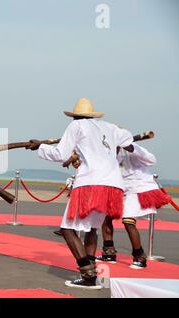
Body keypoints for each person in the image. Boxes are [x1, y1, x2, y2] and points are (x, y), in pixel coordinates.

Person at [26, 98, 134, 290]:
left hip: (91, 182)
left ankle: (87, 272)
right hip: (113, 184)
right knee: (91, 227)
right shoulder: (110, 127)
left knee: (68, 228)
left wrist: (40, 147)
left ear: (75, 115)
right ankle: (91, 269)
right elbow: (129, 142)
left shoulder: (76, 126)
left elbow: (60, 154)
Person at [97, 141, 170, 269]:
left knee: (128, 221)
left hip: (138, 188)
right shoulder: (109, 151)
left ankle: (139, 257)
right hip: (120, 188)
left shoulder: (134, 148)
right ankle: (109, 253)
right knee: (106, 217)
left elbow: (152, 160)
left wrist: (131, 148)